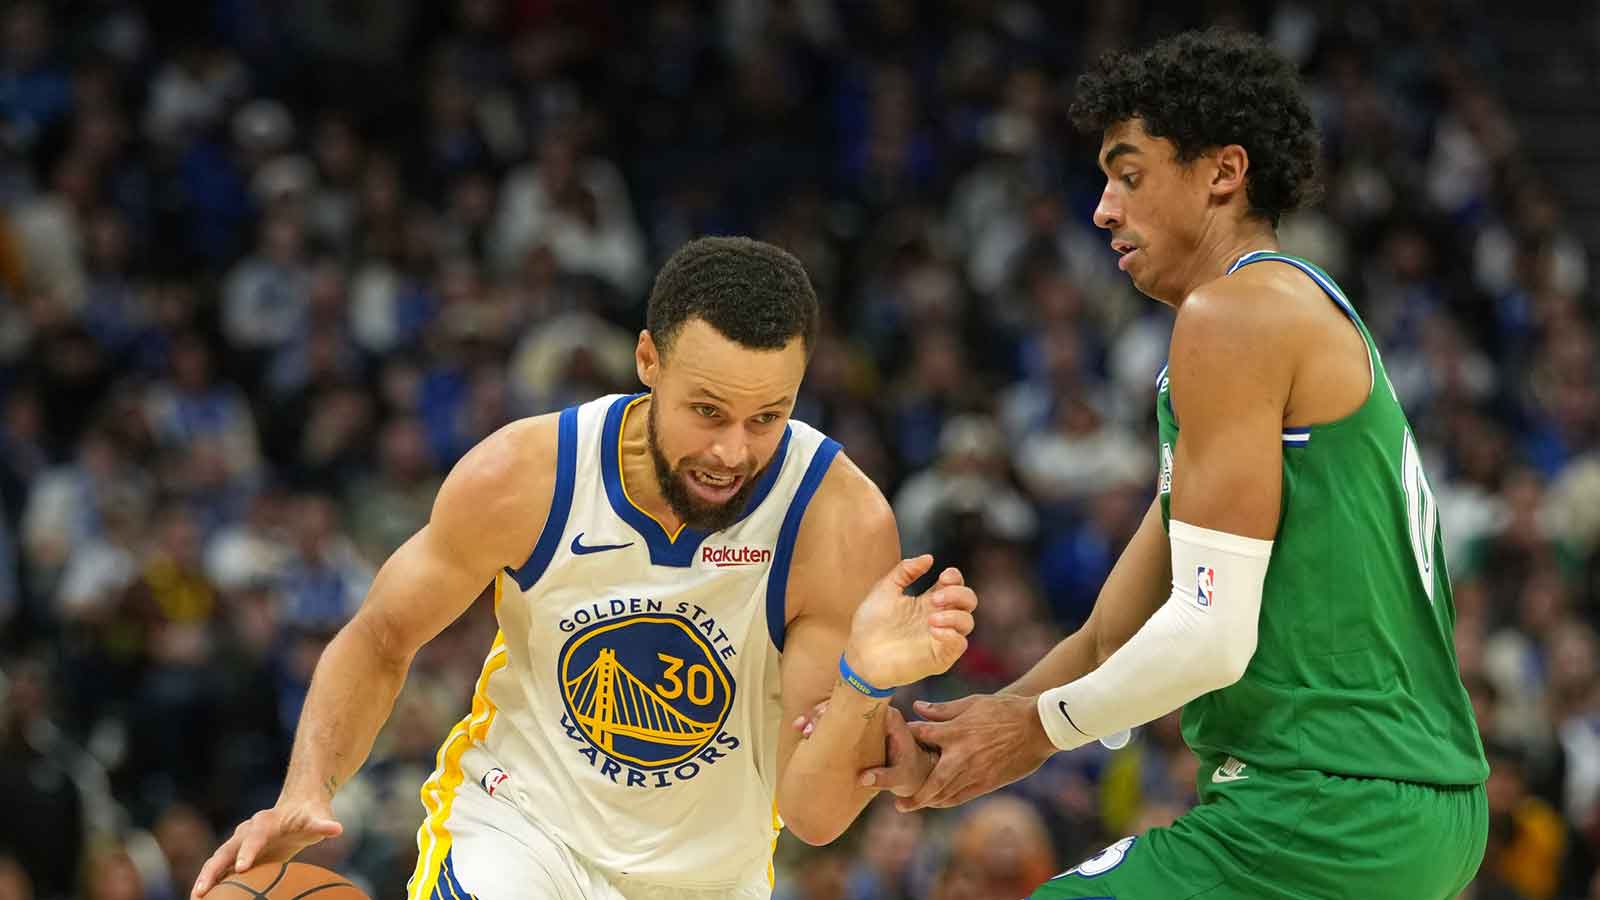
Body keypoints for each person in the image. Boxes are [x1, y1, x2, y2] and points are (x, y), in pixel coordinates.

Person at [848, 30, 1489, 899]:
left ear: (1223, 172)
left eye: (1130, 174)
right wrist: (978, 735)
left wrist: (1035, 731)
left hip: (1328, 810)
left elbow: (1210, 637)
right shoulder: (1267, 325)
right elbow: (1111, 635)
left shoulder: (1238, 314)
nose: (1103, 209)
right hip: (1400, 809)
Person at [190, 236, 978, 900]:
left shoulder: (836, 522)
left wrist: (867, 685)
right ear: (647, 360)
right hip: (519, 836)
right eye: (707, 412)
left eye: (767, 417)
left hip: (710, 877)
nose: (733, 451)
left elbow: (810, 814)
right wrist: (307, 790)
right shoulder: (525, 475)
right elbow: (381, 637)